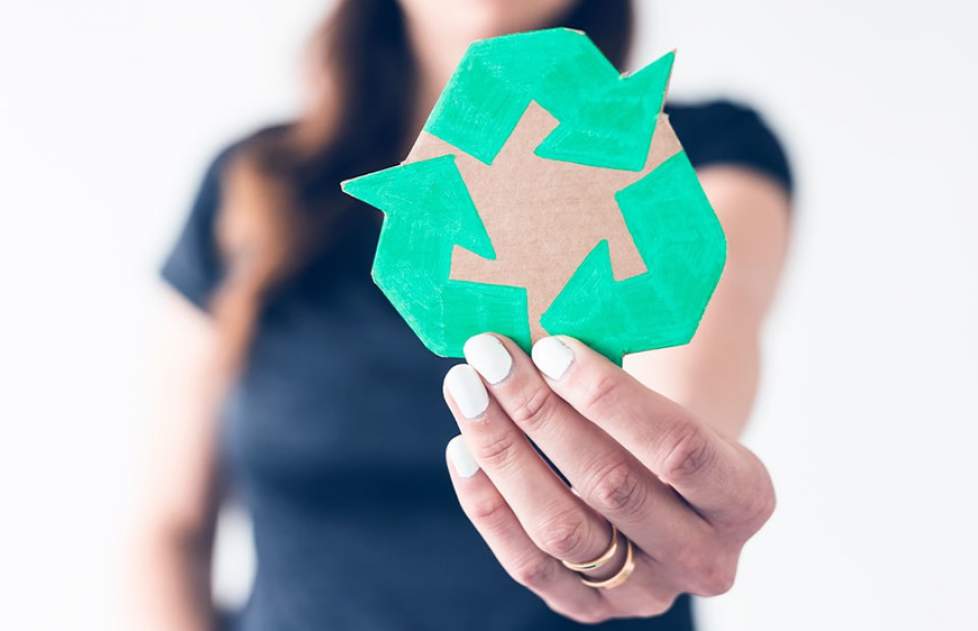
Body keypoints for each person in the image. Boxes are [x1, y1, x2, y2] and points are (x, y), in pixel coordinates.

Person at [132, 0, 793, 629]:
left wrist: (668, 485)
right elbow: (169, 526)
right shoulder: (257, 187)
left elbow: (699, 356)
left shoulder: (699, 153)